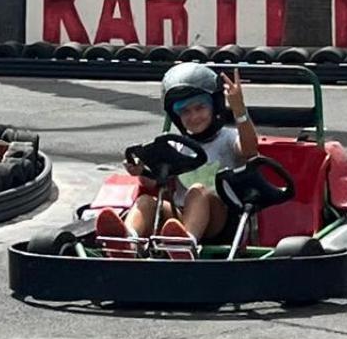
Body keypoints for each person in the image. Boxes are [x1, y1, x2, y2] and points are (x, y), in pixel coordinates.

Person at [95, 62, 259, 259]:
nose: (194, 116)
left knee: (198, 191)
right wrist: (140, 171)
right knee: (146, 201)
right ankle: (128, 242)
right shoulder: (175, 145)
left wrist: (239, 110)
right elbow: (153, 182)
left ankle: (184, 245)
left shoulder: (228, 138)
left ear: (214, 105)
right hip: (180, 218)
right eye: (185, 112)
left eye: (200, 108)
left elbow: (250, 149)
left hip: (222, 220)